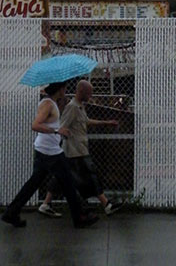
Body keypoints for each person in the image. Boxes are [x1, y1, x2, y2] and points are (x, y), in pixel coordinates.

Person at [1, 81, 98, 228]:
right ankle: (79, 217)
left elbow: (52, 122)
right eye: (64, 88)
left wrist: (58, 127)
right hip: (50, 152)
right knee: (68, 182)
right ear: (59, 89)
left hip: (45, 150)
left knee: (34, 184)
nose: (66, 90)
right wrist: (56, 131)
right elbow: (35, 125)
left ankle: (11, 212)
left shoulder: (52, 103)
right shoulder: (47, 104)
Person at [38, 79, 124, 218]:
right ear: (82, 92)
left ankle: (46, 204)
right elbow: (63, 125)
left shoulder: (79, 106)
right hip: (76, 150)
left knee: (61, 177)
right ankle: (106, 204)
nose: (91, 96)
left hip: (75, 150)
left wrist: (106, 123)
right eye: (89, 93)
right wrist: (62, 136)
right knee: (91, 175)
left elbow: (86, 121)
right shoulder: (72, 107)